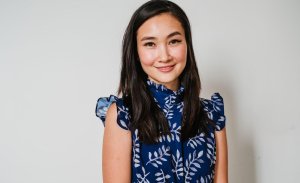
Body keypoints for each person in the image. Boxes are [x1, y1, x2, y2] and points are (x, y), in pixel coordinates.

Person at [95, 0, 228, 182]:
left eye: (174, 41)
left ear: (187, 44)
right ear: (135, 51)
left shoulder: (212, 114)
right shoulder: (123, 115)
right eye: (150, 44)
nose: (164, 56)